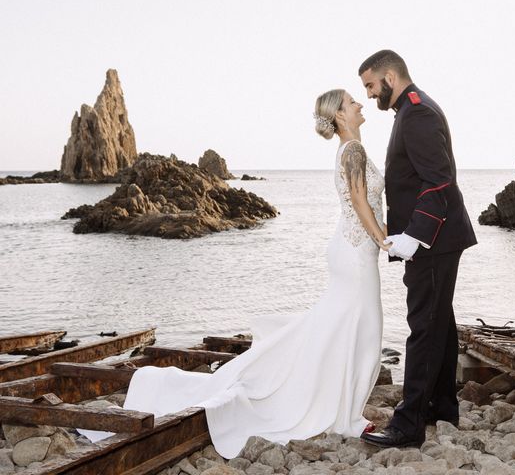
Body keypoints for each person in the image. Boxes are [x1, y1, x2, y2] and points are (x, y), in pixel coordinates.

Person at [80, 89, 389, 459]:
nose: (360, 104)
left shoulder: (349, 148)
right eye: (353, 101)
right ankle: (341, 413)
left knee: (342, 329)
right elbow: (358, 198)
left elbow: (360, 200)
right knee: (363, 330)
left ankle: (341, 409)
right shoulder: (352, 150)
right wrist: (385, 240)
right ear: (339, 114)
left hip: (353, 249)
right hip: (356, 251)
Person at [358, 50, 477, 448]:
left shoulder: (418, 112)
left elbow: (438, 182)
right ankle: (441, 406)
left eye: (372, 85)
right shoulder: (412, 110)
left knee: (423, 327)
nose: (371, 94)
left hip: (434, 241)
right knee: (439, 321)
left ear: (391, 76)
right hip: (440, 239)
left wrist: (415, 236)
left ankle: (408, 426)